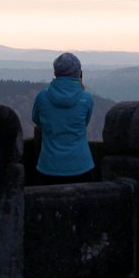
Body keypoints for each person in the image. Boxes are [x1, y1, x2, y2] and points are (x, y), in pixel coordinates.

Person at [31, 52, 95, 184]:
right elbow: (84, 123)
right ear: (78, 74)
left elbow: (36, 120)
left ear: (55, 72)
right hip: (81, 166)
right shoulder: (86, 99)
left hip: (49, 167)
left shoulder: (42, 97)